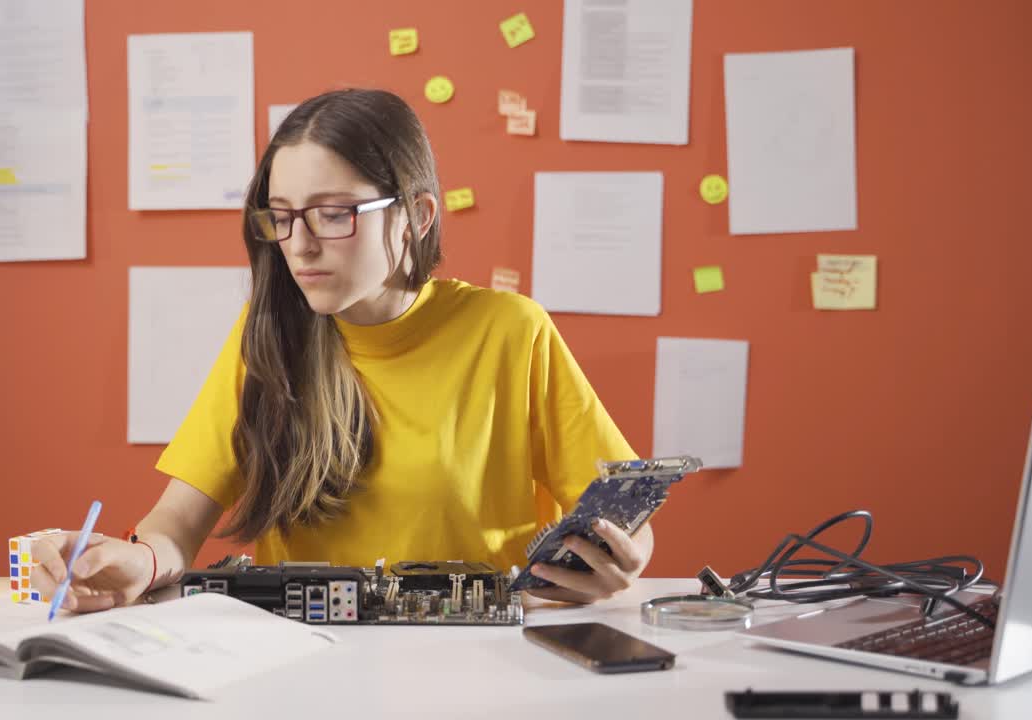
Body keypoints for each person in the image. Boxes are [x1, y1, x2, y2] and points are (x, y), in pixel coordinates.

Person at [33, 88, 651, 613]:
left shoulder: (512, 331)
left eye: (331, 215)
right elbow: (177, 522)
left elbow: (627, 519)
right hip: (306, 657)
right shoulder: (268, 333)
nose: (298, 246)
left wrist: (623, 559)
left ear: (416, 214)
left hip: (473, 659)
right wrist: (138, 560)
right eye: (281, 217)